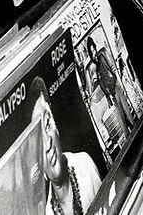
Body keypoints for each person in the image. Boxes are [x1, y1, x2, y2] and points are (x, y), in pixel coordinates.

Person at [28, 75, 102, 215]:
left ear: (57, 128)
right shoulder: (45, 212)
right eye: (38, 138)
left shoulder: (85, 164)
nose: (48, 142)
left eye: (48, 123)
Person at [85, 36, 135, 134]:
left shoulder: (102, 55)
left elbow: (113, 68)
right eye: (92, 52)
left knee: (128, 115)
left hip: (116, 88)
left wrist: (120, 85)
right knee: (122, 123)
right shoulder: (92, 67)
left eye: (94, 49)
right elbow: (91, 90)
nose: (94, 52)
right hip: (110, 96)